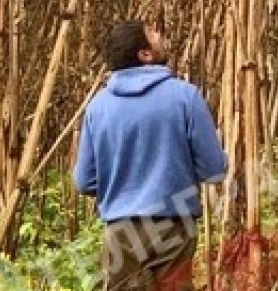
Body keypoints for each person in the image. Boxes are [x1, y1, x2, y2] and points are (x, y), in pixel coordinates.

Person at [73, 20, 228, 290]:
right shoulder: (185, 98)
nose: (161, 36)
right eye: (154, 35)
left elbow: (84, 182)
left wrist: (120, 186)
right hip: (175, 225)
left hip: (121, 230)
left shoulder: (97, 109)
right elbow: (214, 169)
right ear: (144, 54)